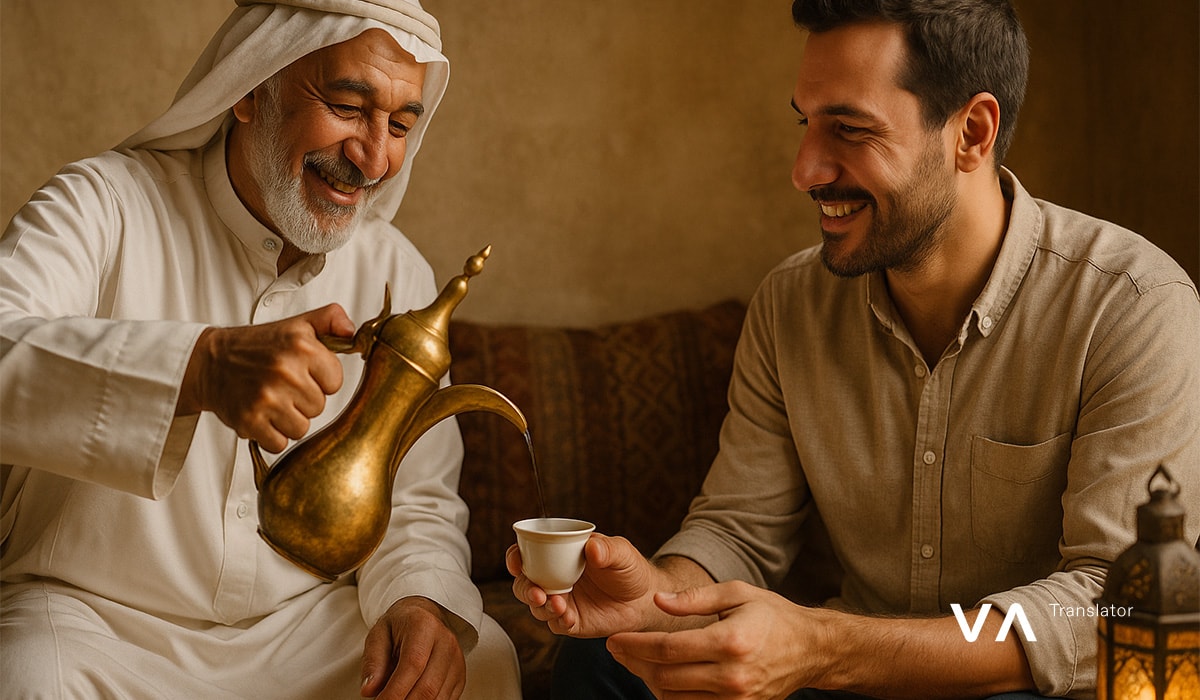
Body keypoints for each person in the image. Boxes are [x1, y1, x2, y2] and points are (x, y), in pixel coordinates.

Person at [508, 1, 1200, 698]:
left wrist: (825, 647)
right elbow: (742, 530)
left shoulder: (1132, 305)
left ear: (972, 132)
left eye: (849, 129)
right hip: (840, 681)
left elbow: (1112, 600)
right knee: (604, 658)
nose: (805, 169)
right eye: (805, 123)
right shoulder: (790, 305)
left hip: (1015, 688)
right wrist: (658, 597)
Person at [0, 1, 521, 698]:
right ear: (251, 87)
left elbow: (419, 498)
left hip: (304, 636)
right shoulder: (103, 206)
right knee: (26, 678)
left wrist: (418, 602)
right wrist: (199, 369)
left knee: (480, 660)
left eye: (399, 125)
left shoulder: (399, 276)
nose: (372, 158)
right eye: (346, 105)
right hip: (98, 629)